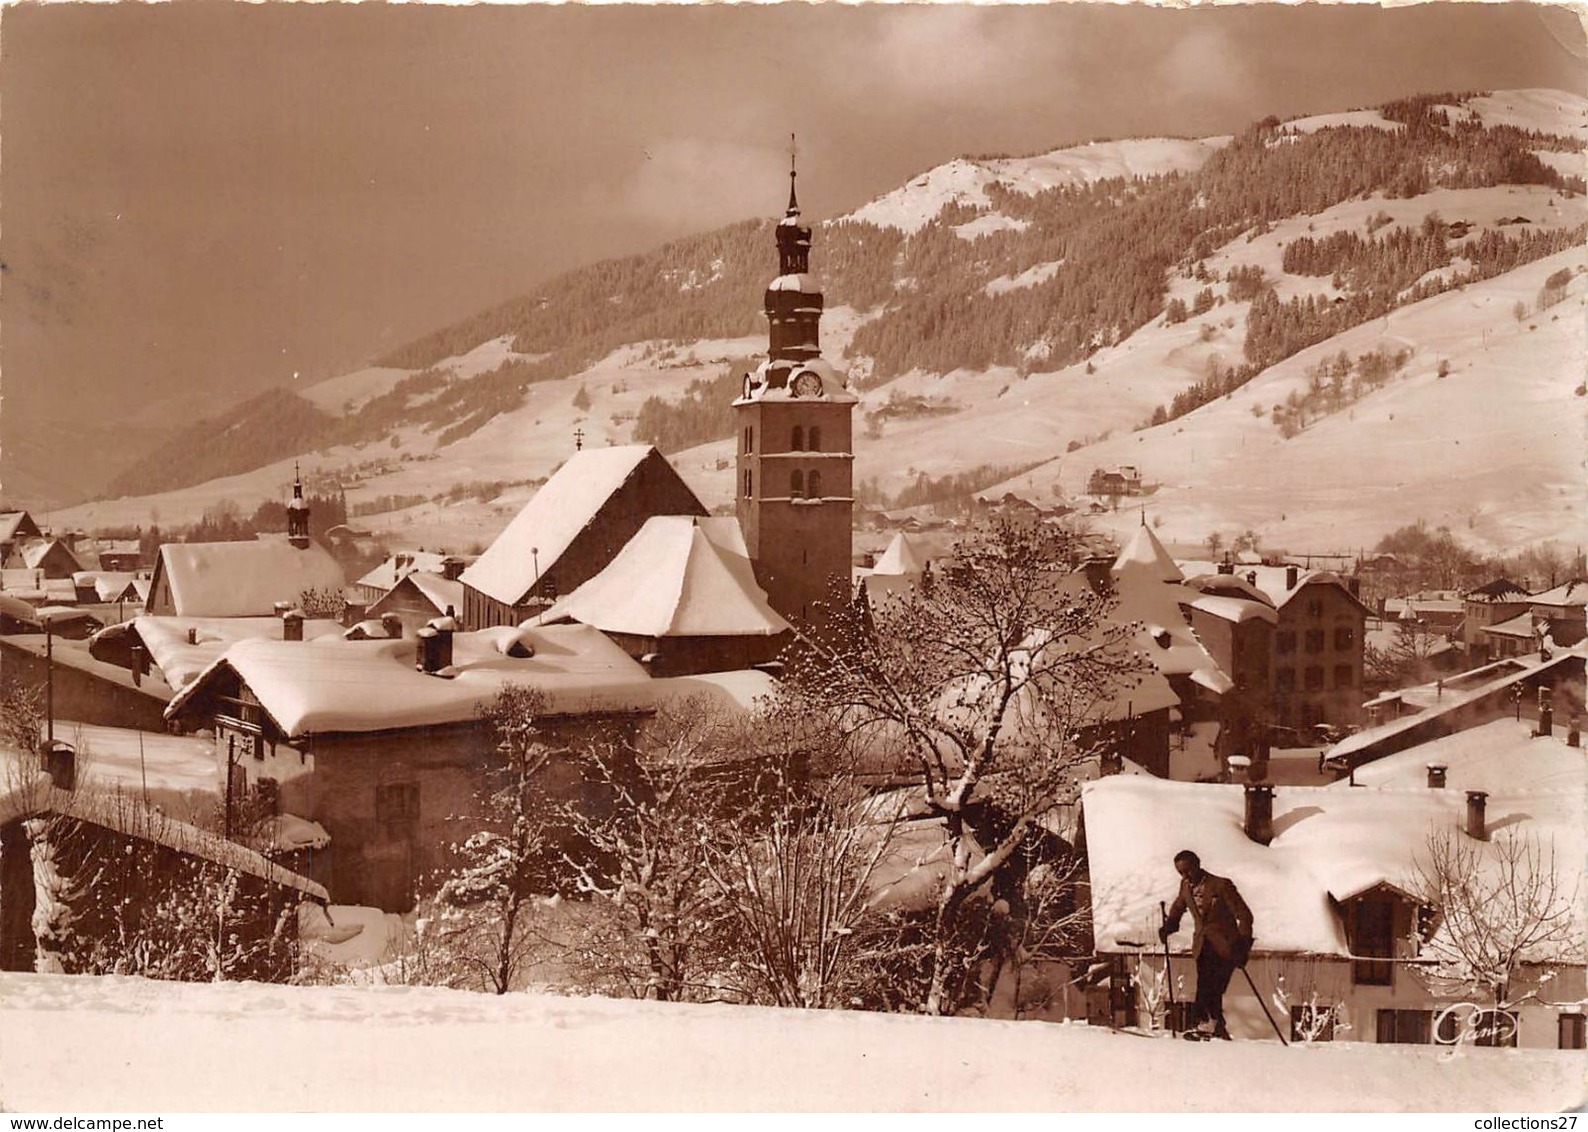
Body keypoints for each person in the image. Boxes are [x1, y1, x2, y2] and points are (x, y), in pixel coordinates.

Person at [1159, 849, 1253, 1039]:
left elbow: (1244, 915)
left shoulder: (1221, 885)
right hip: (1203, 945)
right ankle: (1216, 1028)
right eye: (1181, 872)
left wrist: (1243, 944)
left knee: (1209, 986)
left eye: (1188, 870)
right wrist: (1170, 925)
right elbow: (1179, 906)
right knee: (1209, 987)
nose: (1186, 876)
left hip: (1226, 946)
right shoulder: (1185, 886)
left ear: (1198, 865)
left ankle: (1204, 1024)